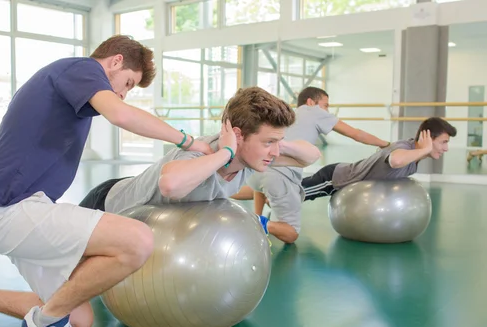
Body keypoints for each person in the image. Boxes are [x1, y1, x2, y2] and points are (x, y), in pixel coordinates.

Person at [0, 35, 215, 327]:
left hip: (22, 212)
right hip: (12, 210)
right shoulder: (81, 69)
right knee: (137, 240)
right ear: (115, 61)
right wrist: (189, 141)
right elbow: (120, 114)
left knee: (77, 318)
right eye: (128, 83)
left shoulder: (72, 89)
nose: (122, 92)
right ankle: (42, 323)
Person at [79, 87, 321, 219]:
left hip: (148, 221)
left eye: (276, 142)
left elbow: (310, 157)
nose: (274, 151)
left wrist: (278, 142)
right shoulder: (203, 151)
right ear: (238, 135)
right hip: (106, 205)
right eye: (268, 142)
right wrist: (225, 152)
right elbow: (170, 185)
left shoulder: (255, 154)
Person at [231, 86, 390, 244]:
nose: (327, 110)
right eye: (326, 105)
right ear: (310, 102)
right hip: (280, 176)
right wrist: (386, 144)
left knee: (262, 184)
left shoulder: (290, 116)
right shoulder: (315, 112)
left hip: (256, 170)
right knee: (291, 234)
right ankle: (255, 222)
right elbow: (356, 134)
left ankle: (254, 221)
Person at [302, 117, 457, 201]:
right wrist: (425, 149)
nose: (446, 148)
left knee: (290, 194)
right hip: (334, 179)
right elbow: (395, 161)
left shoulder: (414, 157)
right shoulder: (404, 147)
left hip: (347, 182)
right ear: (429, 138)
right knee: (292, 195)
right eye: (443, 142)